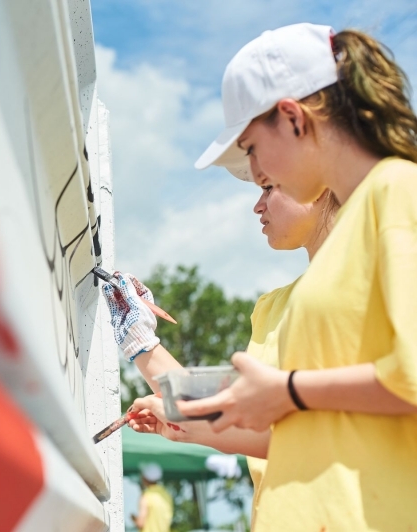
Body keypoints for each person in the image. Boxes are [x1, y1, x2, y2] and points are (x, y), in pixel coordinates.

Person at [174, 23, 417, 530]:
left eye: (251, 147)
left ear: (291, 117)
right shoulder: (352, 228)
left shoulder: (397, 190)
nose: (256, 171)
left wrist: (288, 391)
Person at [123, 183, 338, 528]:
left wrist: (193, 423)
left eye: (269, 186)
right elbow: (246, 417)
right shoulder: (272, 307)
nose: (258, 205)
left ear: (320, 181)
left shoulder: (372, 283)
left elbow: (322, 435)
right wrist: (141, 342)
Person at [131, 463, 173, 532]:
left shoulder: (146, 496)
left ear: (145, 478)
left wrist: (133, 518)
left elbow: (140, 523)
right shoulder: (167, 495)